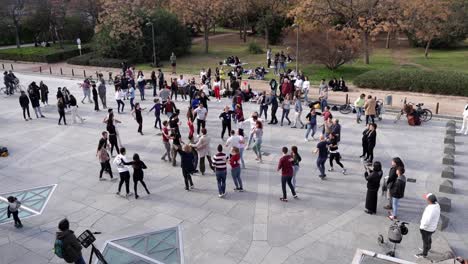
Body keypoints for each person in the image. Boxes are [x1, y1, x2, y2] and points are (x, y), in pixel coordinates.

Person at [415, 193, 441, 259]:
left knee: (425, 241)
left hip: (426, 229)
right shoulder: (437, 205)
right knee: (428, 239)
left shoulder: (431, 209)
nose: (426, 200)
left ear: (430, 201)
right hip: (432, 228)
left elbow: (427, 220)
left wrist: (422, 227)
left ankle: (424, 254)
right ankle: (428, 248)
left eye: (427, 199)